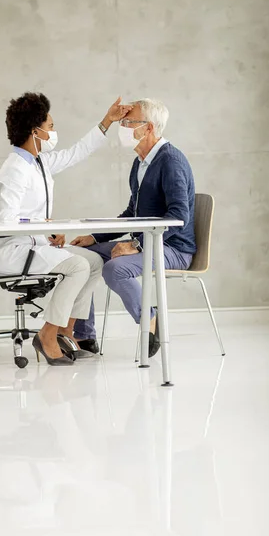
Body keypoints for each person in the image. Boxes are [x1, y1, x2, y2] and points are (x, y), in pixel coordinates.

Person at [0, 92, 132, 366]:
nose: (54, 132)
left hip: (31, 244)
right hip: (10, 251)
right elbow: (6, 221)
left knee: (95, 261)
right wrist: (44, 230)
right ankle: (48, 335)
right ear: (35, 131)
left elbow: (77, 152)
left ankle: (66, 330)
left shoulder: (38, 162)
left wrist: (107, 121)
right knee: (77, 266)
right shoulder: (15, 169)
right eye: (50, 127)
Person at [71, 98, 197, 357]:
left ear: (149, 128)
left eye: (130, 122)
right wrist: (94, 237)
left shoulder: (170, 161)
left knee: (115, 269)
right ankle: (85, 337)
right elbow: (132, 214)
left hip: (174, 248)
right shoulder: (140, 162)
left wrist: (136, 244)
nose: (123, 126)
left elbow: (179, 216)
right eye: (124, 121)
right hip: (149, 242)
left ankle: (151, 320)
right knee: (81, 259)